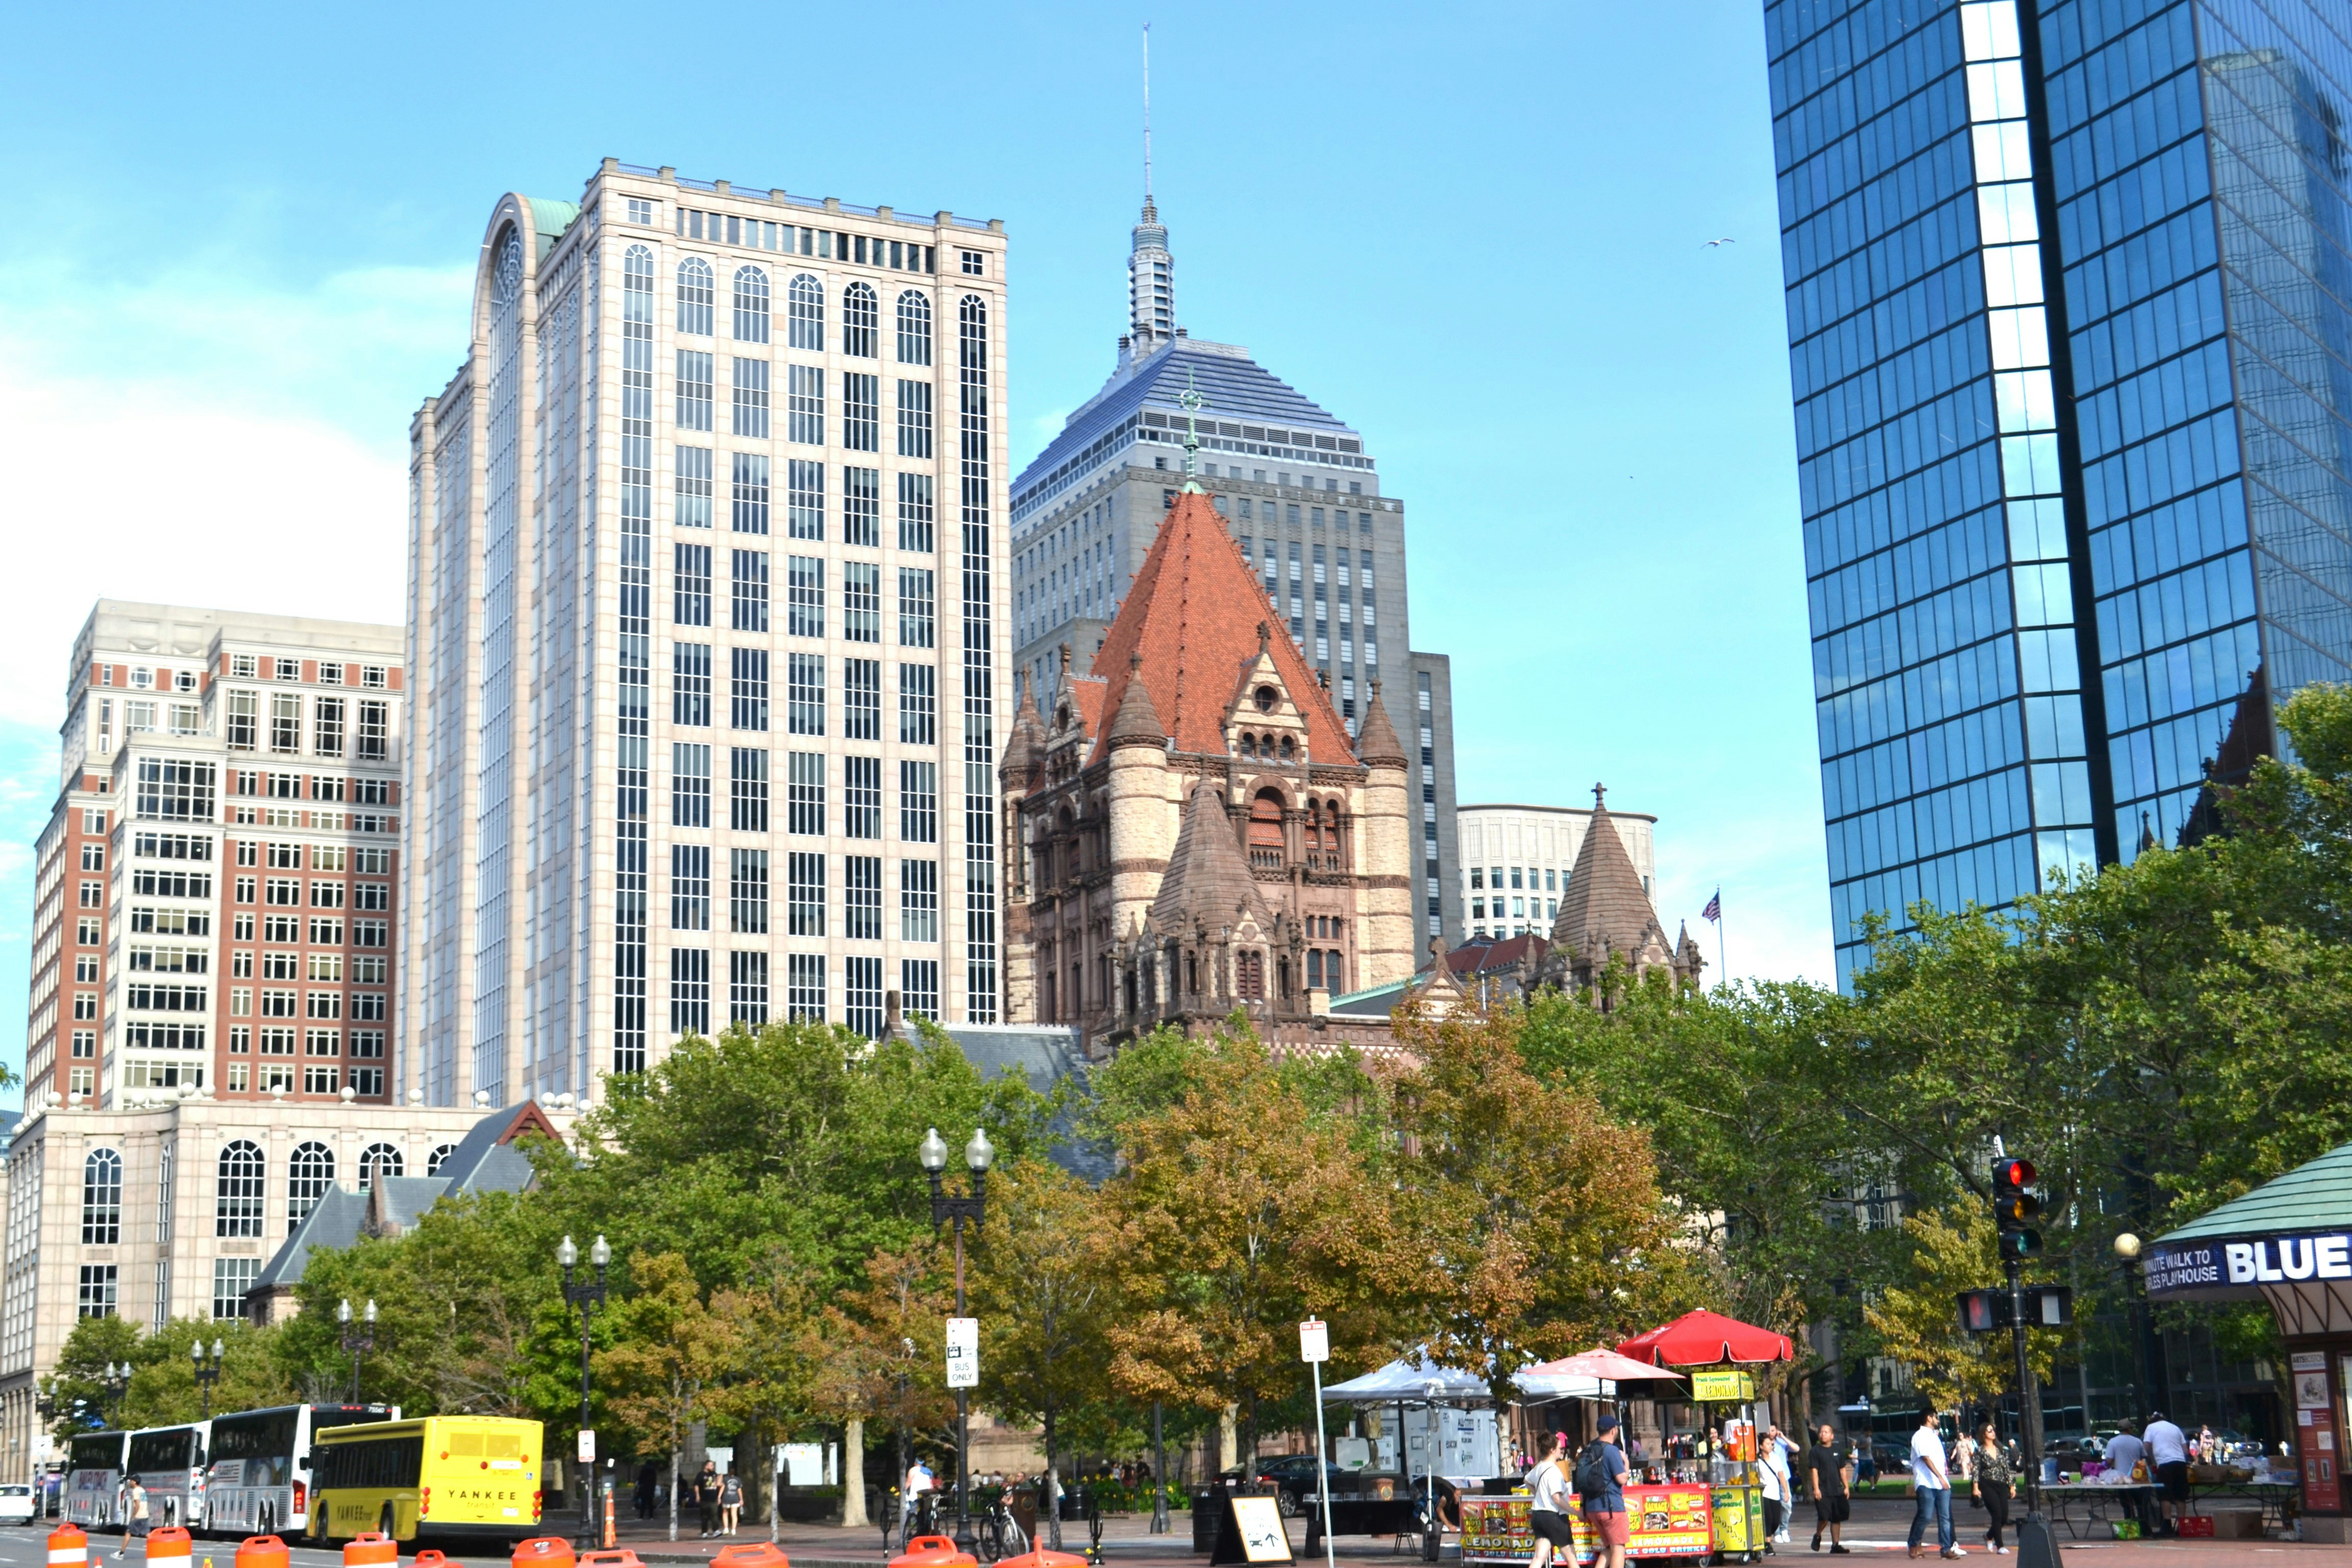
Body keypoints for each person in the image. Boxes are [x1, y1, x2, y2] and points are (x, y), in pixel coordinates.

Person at [1577, 1413, 1633, 1568]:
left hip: (1592, 1507)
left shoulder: (1588, 1449)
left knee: (1609, 1547)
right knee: (1619, 1548)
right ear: (1613, 1431)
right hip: (1611, 1507)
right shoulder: (1611, 1451)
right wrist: (1626, 1463)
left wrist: (1583, 1507)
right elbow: (1622, 1479)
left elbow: (1582, 1481)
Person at [1907, 1409, 1961, 1560]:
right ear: (1929, 1418)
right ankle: (1913, 1543)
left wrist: (1945, 1479)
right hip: (1926, 1482)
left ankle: (1945, 1549)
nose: (1938, 1420)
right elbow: (1926, 1458)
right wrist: (1940, 1477)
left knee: (1945, 1518)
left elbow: (1941, 1460)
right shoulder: (1919, 1436)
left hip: (1942, 1484)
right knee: (1925, 1515)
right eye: (1936, 1417)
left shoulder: (1935, 1437)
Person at [1525, 1433, 1574, 1568]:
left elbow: (1527, 1480)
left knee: (1539, 1557)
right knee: (1571, 1558)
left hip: (1538, 1515)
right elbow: (1556, 1498)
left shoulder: (1540, 1466)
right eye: (1560, 1448)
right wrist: (1576, 1512)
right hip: (1554, 1516)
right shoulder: (1554, 1470)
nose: (1562, 1451)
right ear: (1552, 1450)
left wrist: (1538, 1494)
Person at [1805, 1423, 1854, 1554]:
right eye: (1821, 1432)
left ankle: (1836, 1545)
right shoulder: (1815, 1451)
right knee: (1824, 1517)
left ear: (1832, 1436)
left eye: (1826, 1432)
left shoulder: (1838, 1451)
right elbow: (1814, 1472)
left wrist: (1846, 1487)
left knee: (1836, 1518)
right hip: (1823, 1490)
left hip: (1837, 1490)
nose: (1823, 1434)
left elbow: (1842, 1470)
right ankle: (1818, 1535)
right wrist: (1816, 1489)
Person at [1969, 1425, 2014, 1556]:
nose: (1993, 1432)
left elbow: (2006, 1468)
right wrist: (1976, 1488)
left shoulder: (2001, 1449)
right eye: (1990, 1431)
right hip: (1987, 1484)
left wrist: (2011, 1485)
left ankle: (1989, 1536)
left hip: (2001, 1484)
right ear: (1984, 1434)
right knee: (1997, 1514)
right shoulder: (1980, 1451)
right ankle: (2000, 1546)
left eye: (1993, 1430)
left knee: (2004, 1517)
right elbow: (1976, 1470)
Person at [2144, 1412, 2190, 1536]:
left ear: (2152, 1421)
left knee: (2165, 1495)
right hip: (2180, 1463)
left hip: (2165, 1463)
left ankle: (2167, 1525)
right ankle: (2182, 1527)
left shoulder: (2151, 1428)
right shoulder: (2175, 1428)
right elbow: (2186, 1450)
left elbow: (2145, 1449)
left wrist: (2146, 1460)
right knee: (2180, 1495)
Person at [1758, 1425, 1793, 1556]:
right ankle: (1768, 1544)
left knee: (1775, 1521)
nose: (1770, 1446)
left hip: (1775, 1493)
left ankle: (1766, 1537)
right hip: (1764, 1493)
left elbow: (1781, 1475)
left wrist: (1786, 1491)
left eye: (1771, 1444)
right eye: (1767, 1444)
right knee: (1768, 1518)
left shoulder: (1776, 1459)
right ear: (1761, 1446)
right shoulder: (1758, 1461)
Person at [903, 1457, 935, 1537]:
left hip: (916, 1495)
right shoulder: (928, 1471)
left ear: (915, 1463)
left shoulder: (913, 1470)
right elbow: (931, 1485)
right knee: (927, 1512)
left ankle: (918, 1529)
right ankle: (927, 1529)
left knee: (916, 1513)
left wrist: (903, 1491)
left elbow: (909, 1482)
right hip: (927, 1494)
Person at [720, 1465, 743, 1536]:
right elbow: (739, 1490)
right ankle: (733, 1530)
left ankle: (726, 1529)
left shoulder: (725, 1479)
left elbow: (722, 1488)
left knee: (725, 1513)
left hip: (727, 1497)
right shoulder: (738, 1480)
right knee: (734, 1514)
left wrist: (719, 1496)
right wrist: (741, 1499)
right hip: (735, 1498)